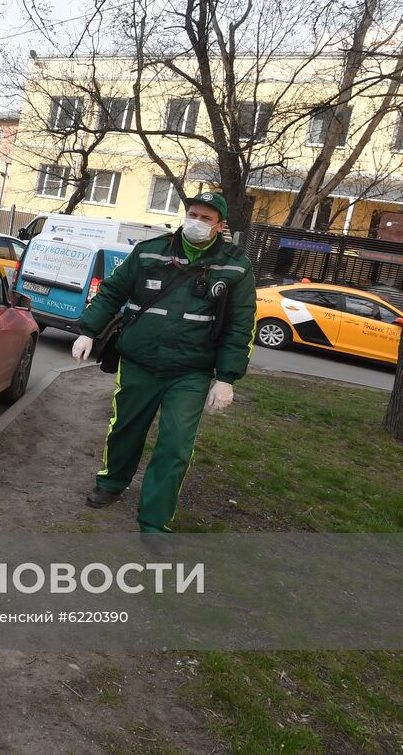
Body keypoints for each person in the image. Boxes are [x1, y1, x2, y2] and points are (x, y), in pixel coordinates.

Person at [70, 191, 255, 555]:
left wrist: (227, 377)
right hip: (140, 360)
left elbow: (241, 325)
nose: (197, 222)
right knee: (126, 428)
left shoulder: (236, 266)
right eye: (192, 214)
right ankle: (111, 482)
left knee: (175, 446)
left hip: (191, 371)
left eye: (206, 218)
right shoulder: (150, 251)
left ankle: (154, 523)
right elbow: (112, 291)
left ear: (220, 225)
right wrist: (88, 330)